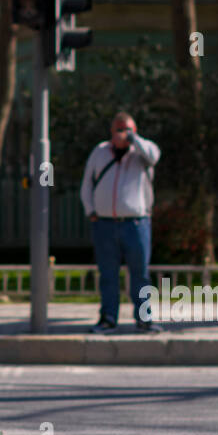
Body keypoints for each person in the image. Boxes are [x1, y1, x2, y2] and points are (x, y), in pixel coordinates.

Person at [79, 112, 161, 333]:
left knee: (140, 274)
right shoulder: (100, 152)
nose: (123, 133)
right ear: (111, 131)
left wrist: (134, 139)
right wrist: (91, 211)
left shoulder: (142, 152)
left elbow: (154, 157)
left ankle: (144, 319)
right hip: (104, 224)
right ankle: (108, 318)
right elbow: (87, 183)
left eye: (127, 129)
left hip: (136, 224)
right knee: (108, 274)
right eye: (119, 129)